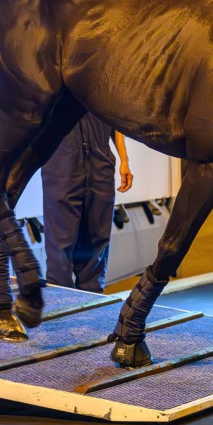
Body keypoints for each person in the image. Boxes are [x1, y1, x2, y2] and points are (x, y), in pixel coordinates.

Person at [40, 113, 133, 292]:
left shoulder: (105, 84)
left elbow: (115, 118)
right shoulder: (50, 84)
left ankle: (92, 306)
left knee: (97, 243)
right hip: (61, 163)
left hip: (101, 160)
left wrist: (124, 160)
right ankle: (60, 304)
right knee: (60, 246)